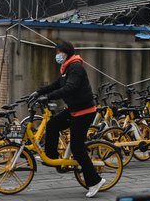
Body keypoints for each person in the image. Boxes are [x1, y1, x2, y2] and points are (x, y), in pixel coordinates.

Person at [28, 40, 105, 198]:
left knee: (77, 148)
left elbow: (70, 87)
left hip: (84, 111)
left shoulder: (75, 67)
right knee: (53, 124)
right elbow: (57, 84)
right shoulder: (67, 67)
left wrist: (48, 97)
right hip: (74, 109)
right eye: (56, 53)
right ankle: (52, 158)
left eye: (58, 53)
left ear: (66, 52)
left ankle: (95, 181)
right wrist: (38, 92)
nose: (56, 55)